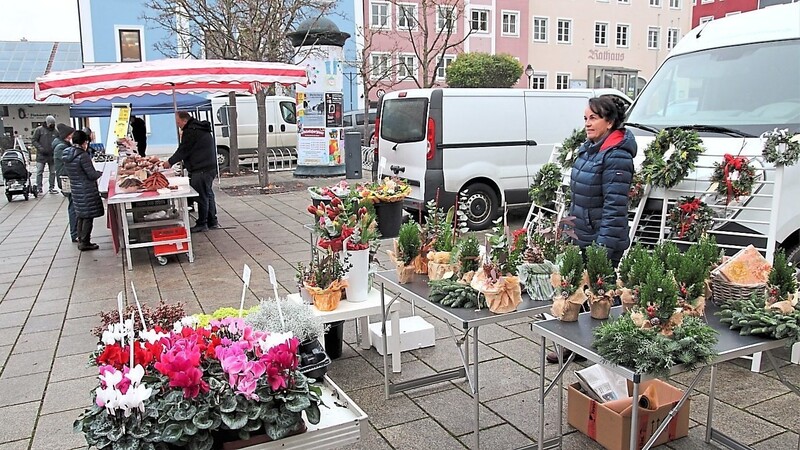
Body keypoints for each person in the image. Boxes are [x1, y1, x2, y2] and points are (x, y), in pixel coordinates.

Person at [546, 95, 636, 364]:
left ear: (609, 121)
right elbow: (579, 198)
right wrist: (569, 229)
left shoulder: (617, 156)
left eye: (593, 118)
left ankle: (604, 352)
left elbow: (615, 207)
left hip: (603, 239)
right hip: (583, 234)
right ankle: (574, 348)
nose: (587, 123)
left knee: (599, 299)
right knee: (576, 293)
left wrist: (603, 248)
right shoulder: (590, 149)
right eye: (585, 118)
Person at [163, 111, 218, 232]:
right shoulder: (199, 128)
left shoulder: (191, 131)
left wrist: (170, 162)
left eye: (178, 122)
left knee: (202, 196)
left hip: (201, 168)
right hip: (209, 167)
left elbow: (183, 150)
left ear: (184, 121)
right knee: (208, 194)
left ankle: (202, 223)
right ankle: (212, 221)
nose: (178, 125)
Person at [62, 130, 104, 251]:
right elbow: (91, 174)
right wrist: (99, 173)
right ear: (84, 142)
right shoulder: (82, 155)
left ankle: (80, 239)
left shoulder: (67, 154)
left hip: (76, 189)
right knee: (88, 217)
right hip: (86, 189)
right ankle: (85, 242)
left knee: (81, 216)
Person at [52, 123, 78, 243]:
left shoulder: (62, 145)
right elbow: (67, 163)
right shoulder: (61, 147)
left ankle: (76, 232)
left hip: (67, 178)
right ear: (67, 136)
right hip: (67, 180)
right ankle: (75, 233)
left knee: (74, 205)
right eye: (71, 135)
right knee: (73, 206)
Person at [32, 115, 59, 194]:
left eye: (53, 124)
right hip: (41, 155)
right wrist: (40, 148)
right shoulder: (39, 130)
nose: (51, 125)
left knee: (53, 172)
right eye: (50, 124)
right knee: (39, 171)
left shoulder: (56, 132)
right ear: (47, 123)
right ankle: (39, 187)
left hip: (52, 155)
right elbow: (34, 140)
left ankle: (51, 187)